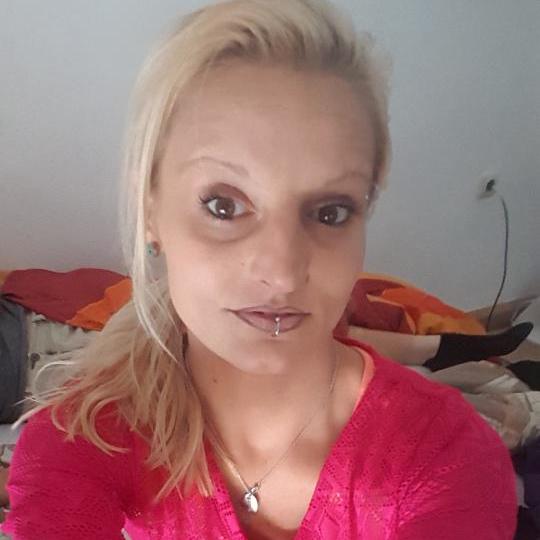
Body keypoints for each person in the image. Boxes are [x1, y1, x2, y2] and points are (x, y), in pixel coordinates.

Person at [1, 1, 517, 538]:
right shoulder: (83, 438)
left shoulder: (448, 455)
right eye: (224, 206)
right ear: (150, 209)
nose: (283, 274)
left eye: (330, 212)